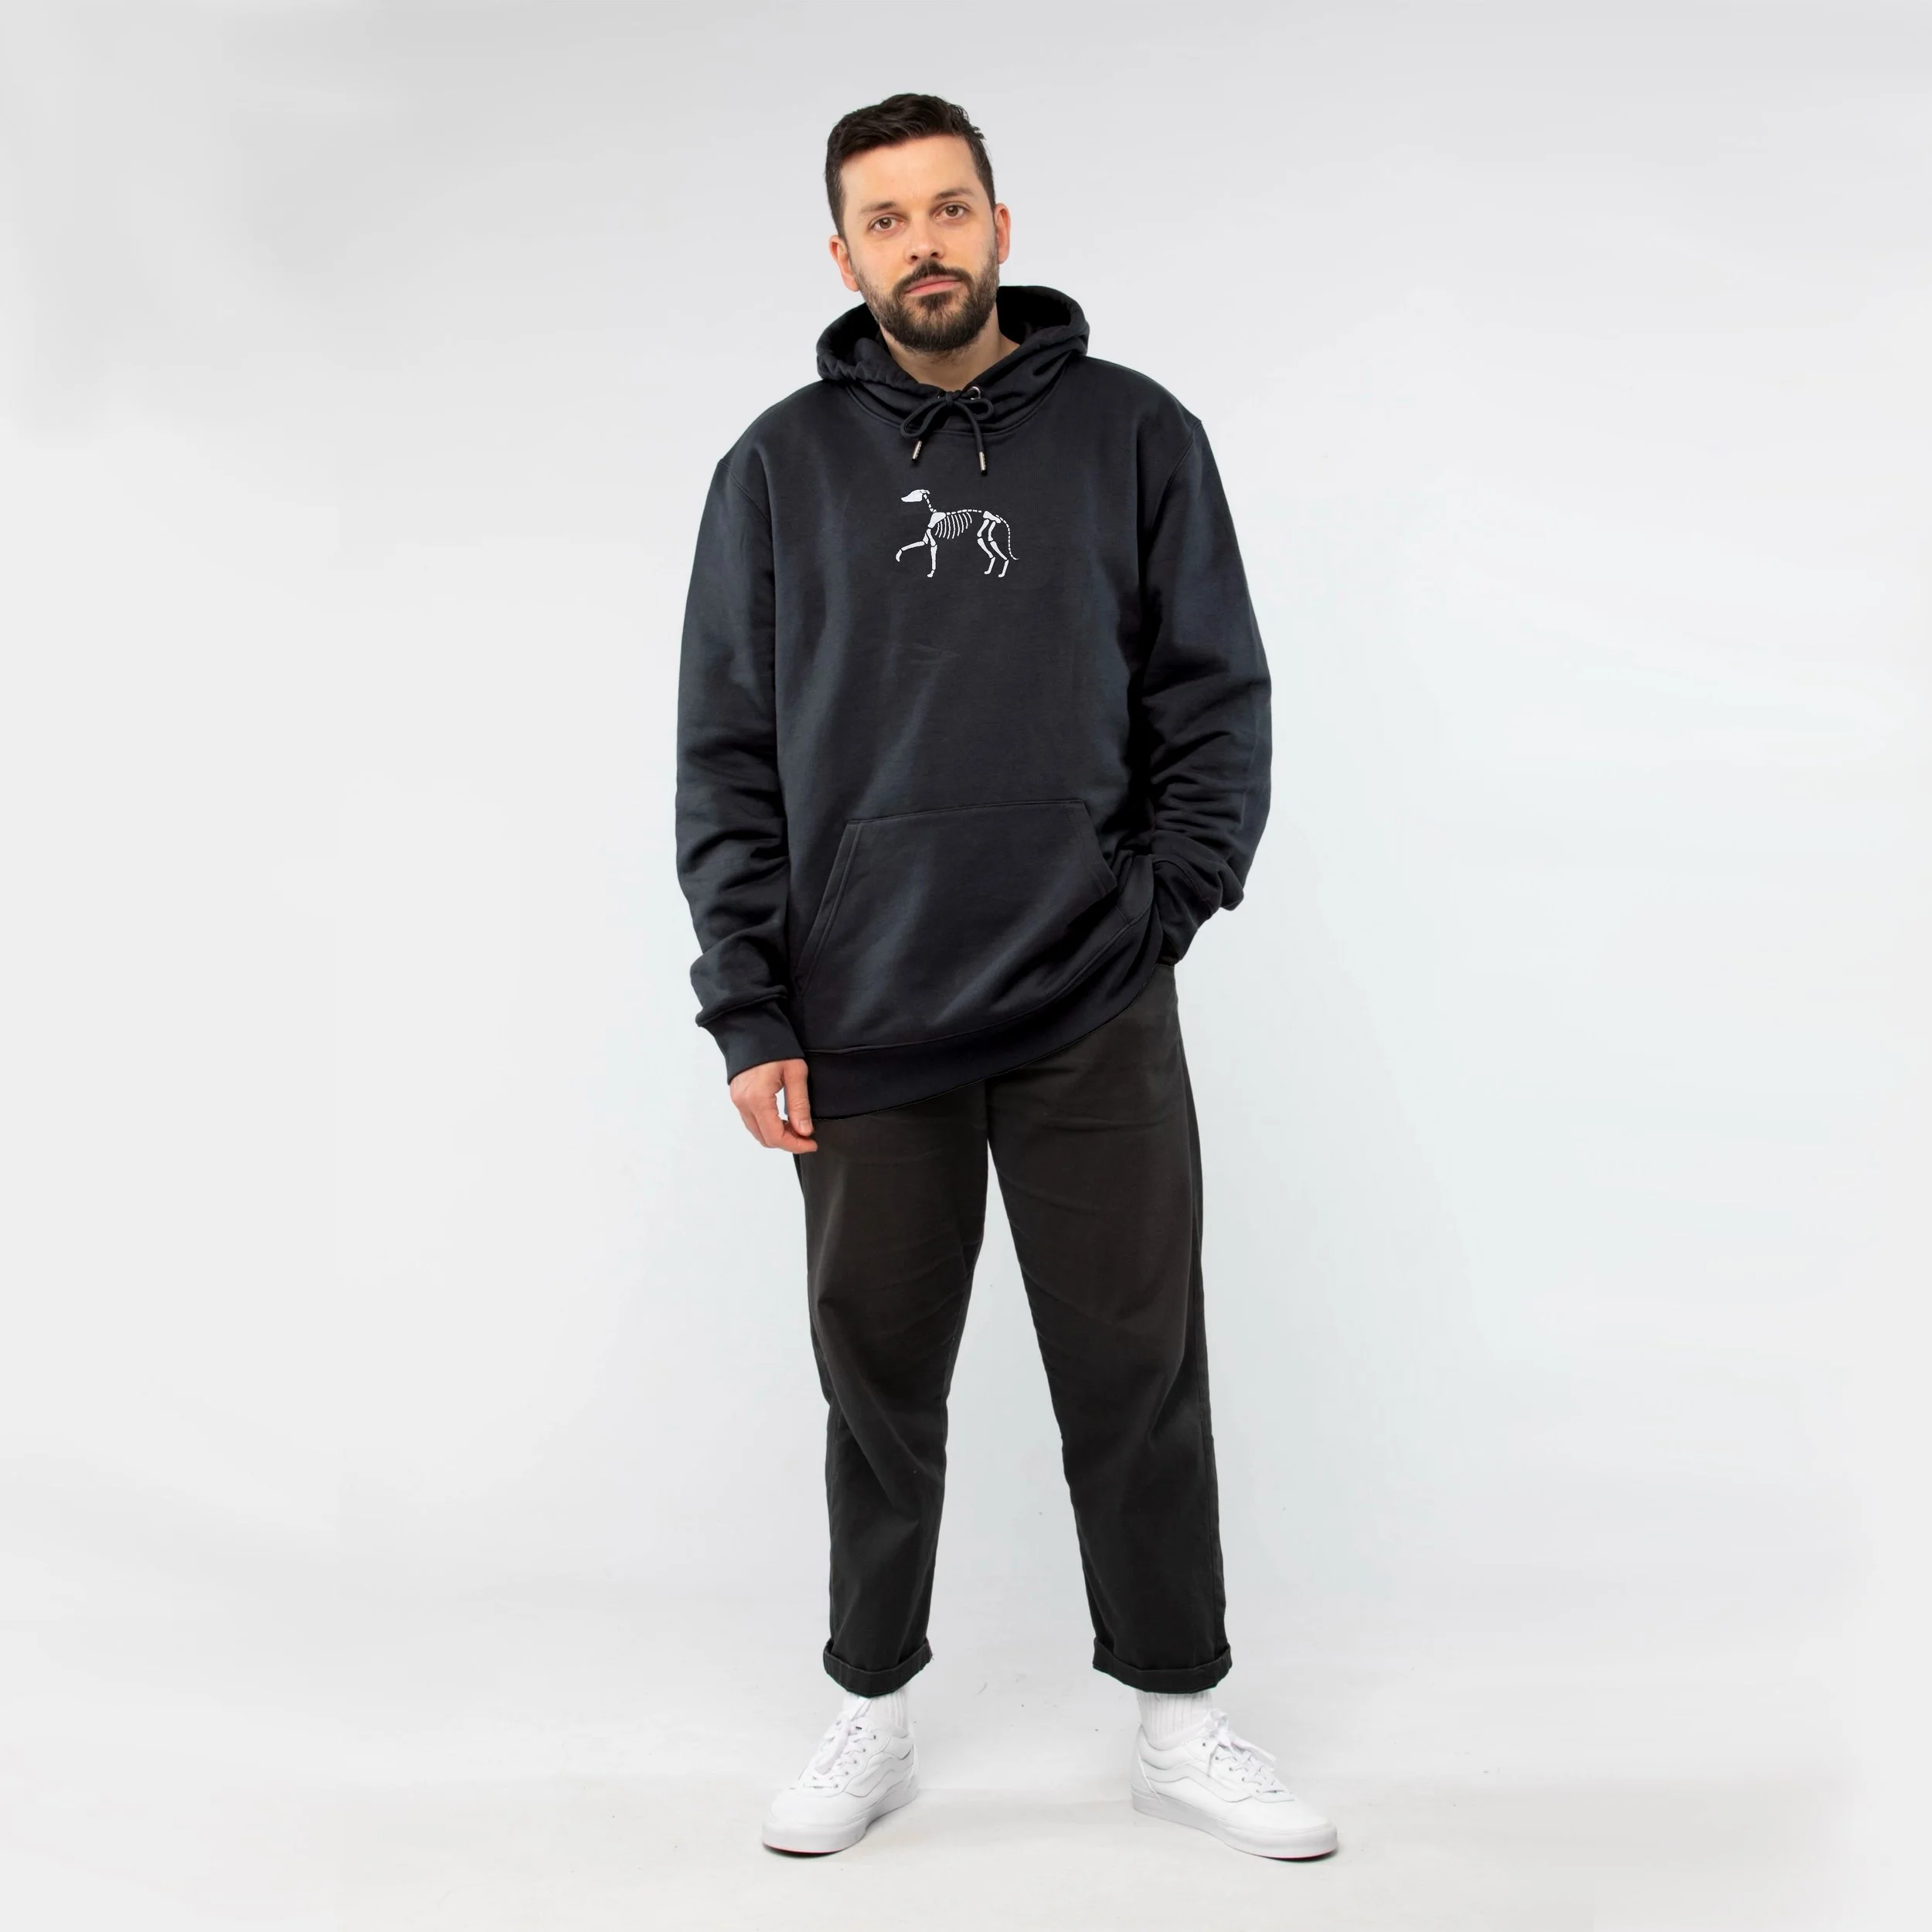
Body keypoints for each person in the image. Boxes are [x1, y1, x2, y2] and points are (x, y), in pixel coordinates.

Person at [673, 91, 1337, 1863]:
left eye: (948, 207)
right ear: (842, 253)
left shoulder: (1134, 435)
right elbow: (724, 754)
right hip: (859, 1015)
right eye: (886, 219)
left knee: (1137, 1366)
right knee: (876, 1384)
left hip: (1088, 1003)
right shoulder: (773, 470)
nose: (924, 243)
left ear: (1000, 224)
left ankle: (1177, 1718)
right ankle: (870, 1705)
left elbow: (1213, 697)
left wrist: (1157, 907)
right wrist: (750, 1005)